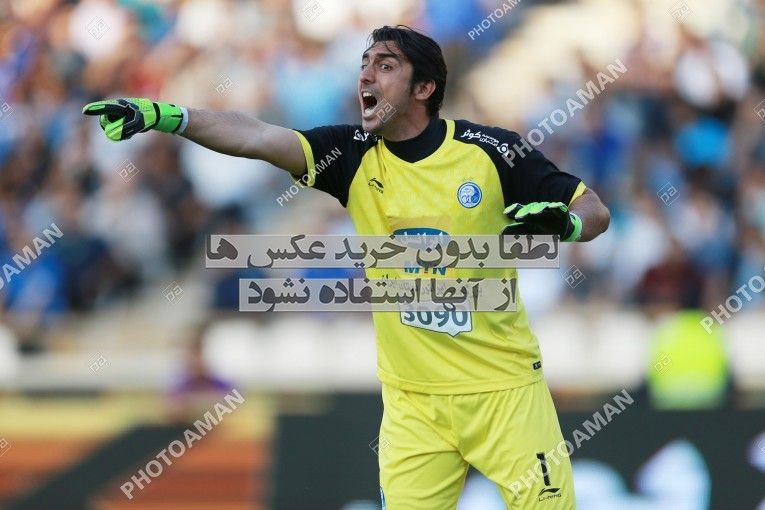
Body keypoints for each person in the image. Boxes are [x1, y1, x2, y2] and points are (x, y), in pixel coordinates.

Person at [82, 25, 610, 510]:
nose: (366, 75)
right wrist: (168, 116)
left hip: (504, 391)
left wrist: (565, 226)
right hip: (412, 404)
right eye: (364, 64)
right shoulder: (351, 154)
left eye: (385, 64)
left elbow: (594, 211)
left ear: (424, 87)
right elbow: (255, 136)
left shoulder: (491, 153)